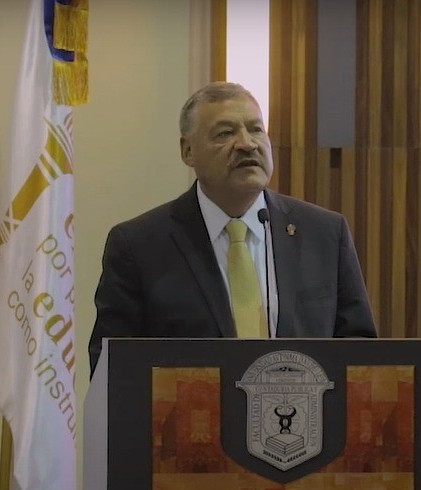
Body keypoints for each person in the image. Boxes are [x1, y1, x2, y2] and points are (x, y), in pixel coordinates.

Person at [88, 82, 376, 373]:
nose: (247, 144)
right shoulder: (139, 246)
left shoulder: (324, 233)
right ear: (188, 151)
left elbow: (360, 351)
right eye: (225, 133)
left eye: (256, 129)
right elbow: (112, 367)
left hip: (304, 415)